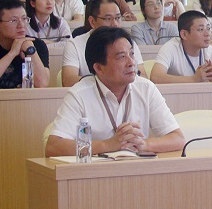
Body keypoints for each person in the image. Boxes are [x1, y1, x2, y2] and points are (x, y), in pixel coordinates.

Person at [46, 26, 183, 157]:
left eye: (132, 54)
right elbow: (53, 147)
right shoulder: (79, 94)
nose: (131, 63)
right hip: (96, 171)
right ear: (99, 68)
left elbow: (177, 138)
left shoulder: (146, 88)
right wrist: (108, 145)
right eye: (121, 57)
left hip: (136, 168)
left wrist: (143, 144)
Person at [150, 11, 212, 83]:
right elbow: (156, 77)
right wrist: (193, 79)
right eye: (201, 29)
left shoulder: (209, 51)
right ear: (184, 34)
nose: (207, 33)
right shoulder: (171, 48)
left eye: (208, 28)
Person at [62, 0, 141, 86]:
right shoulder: (75, 45)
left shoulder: (128, 43)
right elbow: (68, 80)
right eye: (108, 19)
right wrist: (107, 82)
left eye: (118, 18)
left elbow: (142, 76)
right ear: (92, 21)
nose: (115, 24)